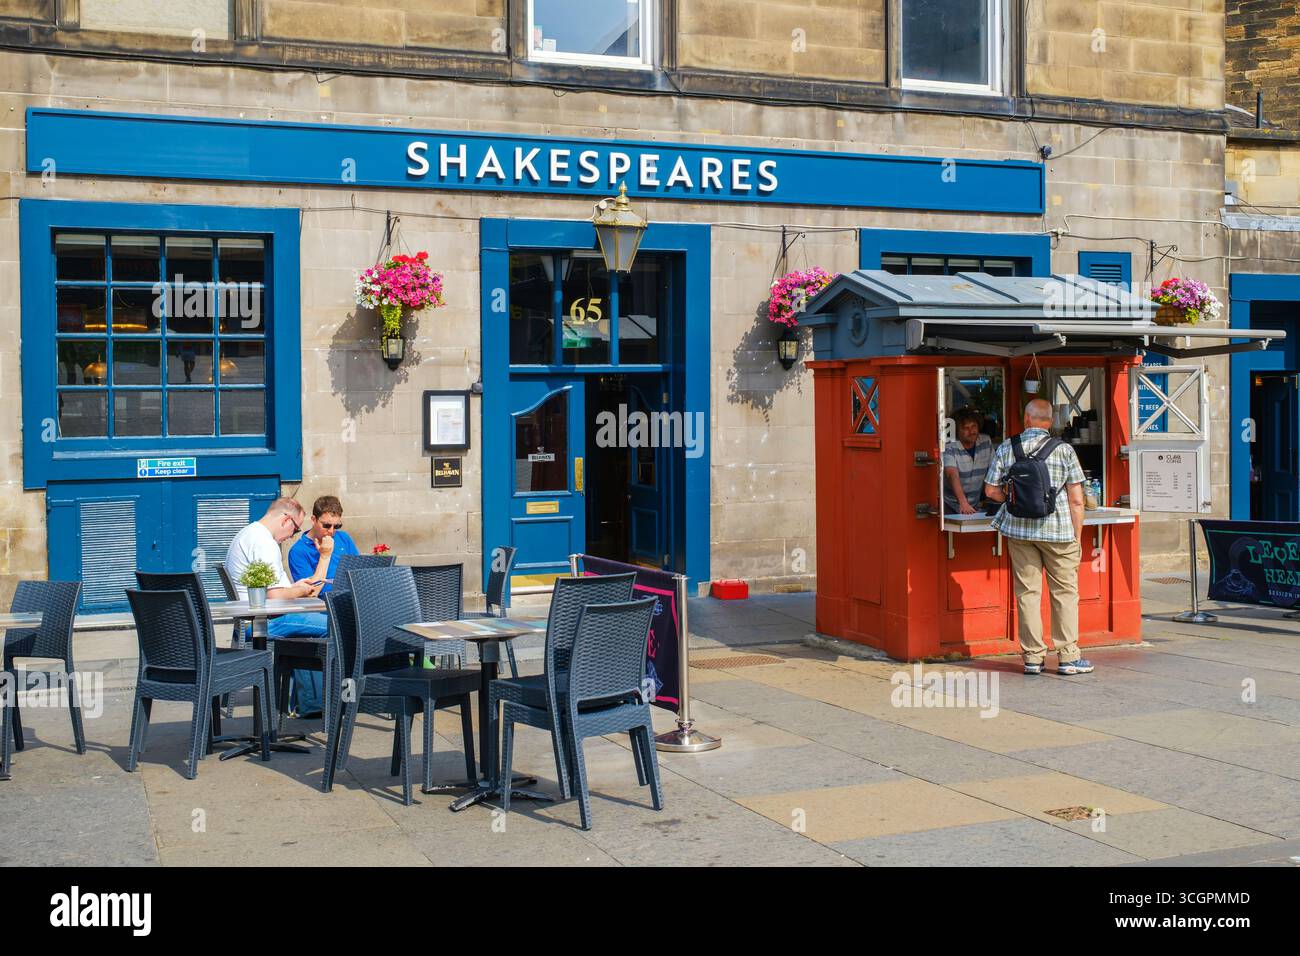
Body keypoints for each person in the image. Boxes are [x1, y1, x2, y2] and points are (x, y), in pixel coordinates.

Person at [983, 399, 1093, 677]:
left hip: (1020, 532)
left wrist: (1013, 498)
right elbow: (1077, 500)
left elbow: (990, 491)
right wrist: (1076, 537)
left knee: (1027, 594)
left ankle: (1033, 658)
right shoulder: (1064, 450)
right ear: (1050, 421)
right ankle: (1068, 657)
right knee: (1065, 594)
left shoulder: (1008, 446)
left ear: (1026, 419)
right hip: (1058, 534)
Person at [224, 498, 327, 716]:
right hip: (264, 622)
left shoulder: (249, 533)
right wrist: (302, 590)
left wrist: (297, 587)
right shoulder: (264, 542)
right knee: (335, 625)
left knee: (310, 627)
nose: (292, 536)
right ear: (285, 520)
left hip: (254, 621)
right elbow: (275, 597)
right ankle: (331, 701)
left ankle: (309, 703)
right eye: (296, 529)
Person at [288, 495, 360, 595]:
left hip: (350, 597)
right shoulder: (298, 551)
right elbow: (310, 593)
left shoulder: (343, 537)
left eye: (337, 526)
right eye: (326, 525)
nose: (331, 531)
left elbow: (359, 572)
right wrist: (324, 555)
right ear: (313, 520)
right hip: (322, 604)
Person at [943, 407, 994, 515]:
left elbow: (994, 471)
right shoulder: (949, 446)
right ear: (957, 431)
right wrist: (963, 503)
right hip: (950, 504)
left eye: (974, 426)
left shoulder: (986, 441)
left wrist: (993, 498)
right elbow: (952, 475)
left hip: (974, 504)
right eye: (966, 428)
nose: (971, 431)